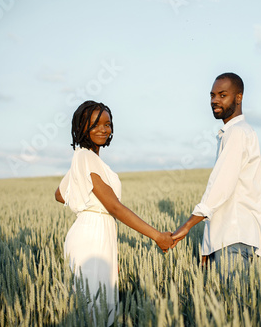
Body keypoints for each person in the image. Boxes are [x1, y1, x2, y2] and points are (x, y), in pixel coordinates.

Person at [54, 100, 173, 325]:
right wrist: (158, 236)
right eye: (95, 124)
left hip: (98, 233)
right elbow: (115, 207)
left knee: (98, 308)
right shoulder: (84, 157)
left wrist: (82, 200)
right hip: (90, 236)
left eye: (107, 124)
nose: (103, 129)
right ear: (82, 126)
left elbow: (60, 194)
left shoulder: (89, 160)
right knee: (93, 310)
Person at [171, 72, 261, 274]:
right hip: (229, 239)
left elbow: (221, 187)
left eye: (222, 95)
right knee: (232, 304)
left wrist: (186, 227)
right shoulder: (235, 132)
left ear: (238, 97)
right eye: (212, 95)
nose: (215, 100)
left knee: (232, 305)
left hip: (233, 239)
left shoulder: (237, 133)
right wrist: (208, 245)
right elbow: (226, 196)